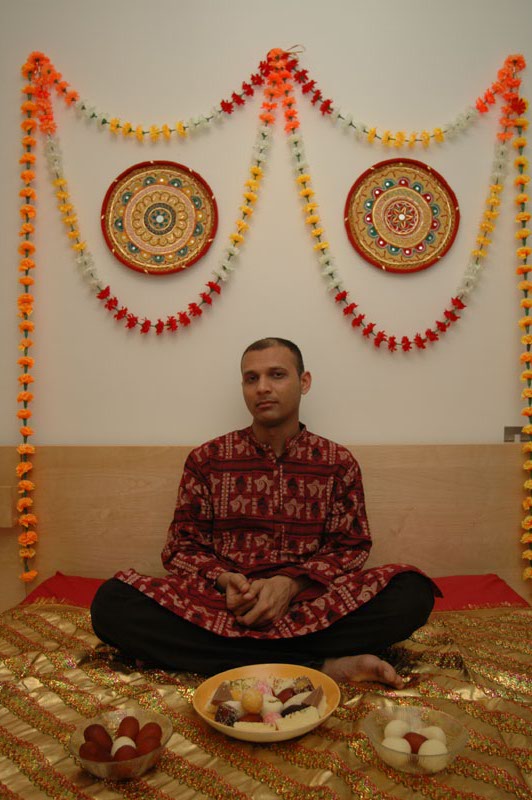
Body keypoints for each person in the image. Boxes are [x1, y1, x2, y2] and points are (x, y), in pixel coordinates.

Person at [91, 337, 437, 687]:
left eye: (277, 375)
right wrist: (227, 580)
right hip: (222, 607)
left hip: (309, 606)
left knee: (411, 593)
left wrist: (290, 585)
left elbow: (350, 547)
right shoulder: (207, 459)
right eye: (251, 378)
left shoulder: (338, 463)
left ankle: (229, 657)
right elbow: (182, 547)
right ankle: (319, 665)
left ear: (304, 382)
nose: (262, 388)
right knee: (112, 603)